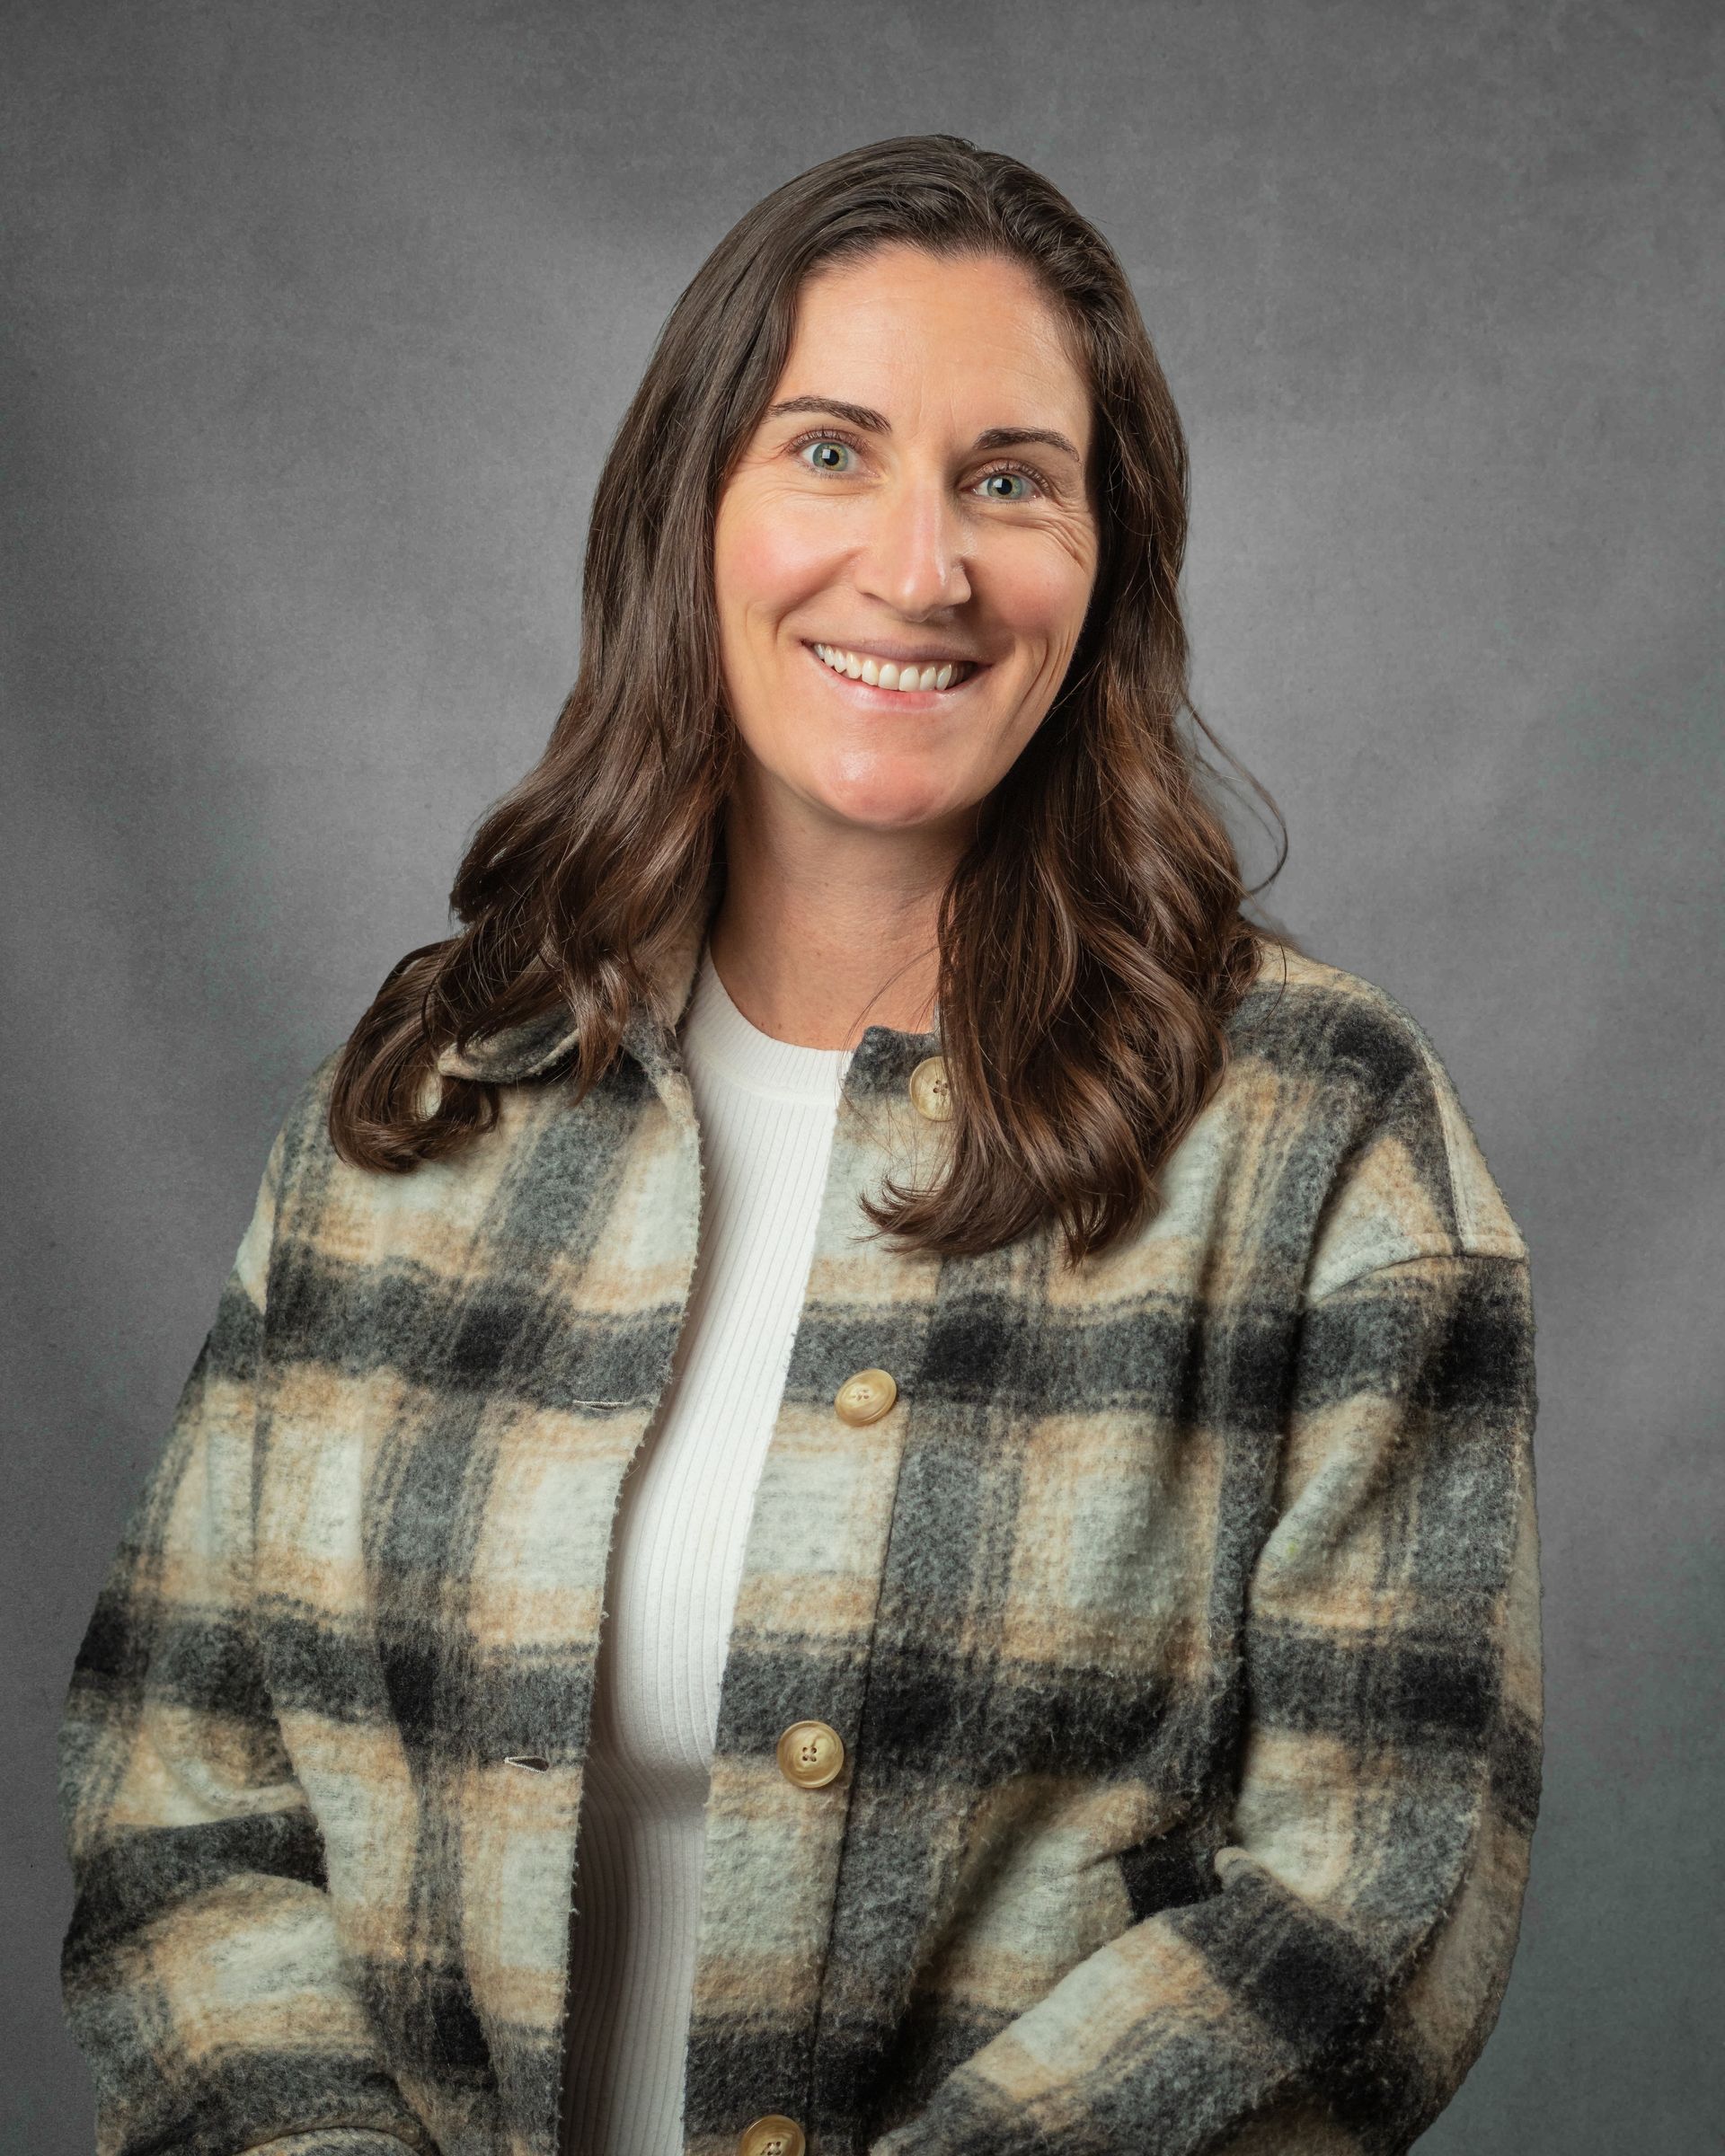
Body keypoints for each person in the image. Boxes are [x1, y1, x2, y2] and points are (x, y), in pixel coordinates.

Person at [58, 135, 1540, 2156]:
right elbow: (183, 1801)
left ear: (1107, 567)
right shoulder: (430, 1095)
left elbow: (1372, 1890)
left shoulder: (1320, 1140)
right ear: (693, 511)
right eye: (829, 450)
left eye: (1009, 478)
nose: (920, 569)